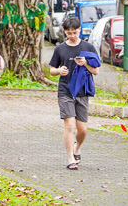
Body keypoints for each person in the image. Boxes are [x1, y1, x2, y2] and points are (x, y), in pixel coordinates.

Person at [47, 16, 100, 170]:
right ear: (65, 32)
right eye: (69, 33)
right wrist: (59, 70)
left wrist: (86, 64)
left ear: (80, 30)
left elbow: (96, 71)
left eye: (75, 32)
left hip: (82, 91)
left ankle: (77, 148)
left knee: (82, 129)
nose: (72, 35)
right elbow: (51, 70)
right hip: (65, 91)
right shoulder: (60, 49)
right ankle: (70, 158)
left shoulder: (88, 48)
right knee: (69, 125)